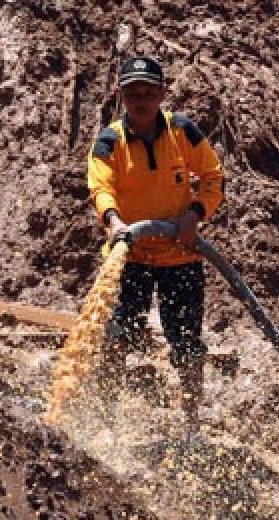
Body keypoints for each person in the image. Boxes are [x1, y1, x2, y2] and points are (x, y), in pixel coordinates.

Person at [88, 55, 224, 412]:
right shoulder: (109, 141)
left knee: (186, 343)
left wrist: (194, 215)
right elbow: (101, 188)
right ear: (122, 96)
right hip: (129, 257)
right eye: (134, 93)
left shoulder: (182, 131)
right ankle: (106, 419)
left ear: (163, 93)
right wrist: (115, 222)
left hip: (178, 255)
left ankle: (192, 419)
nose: (142, 101)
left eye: (149, 92)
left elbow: (213, 178)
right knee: (116, 339)